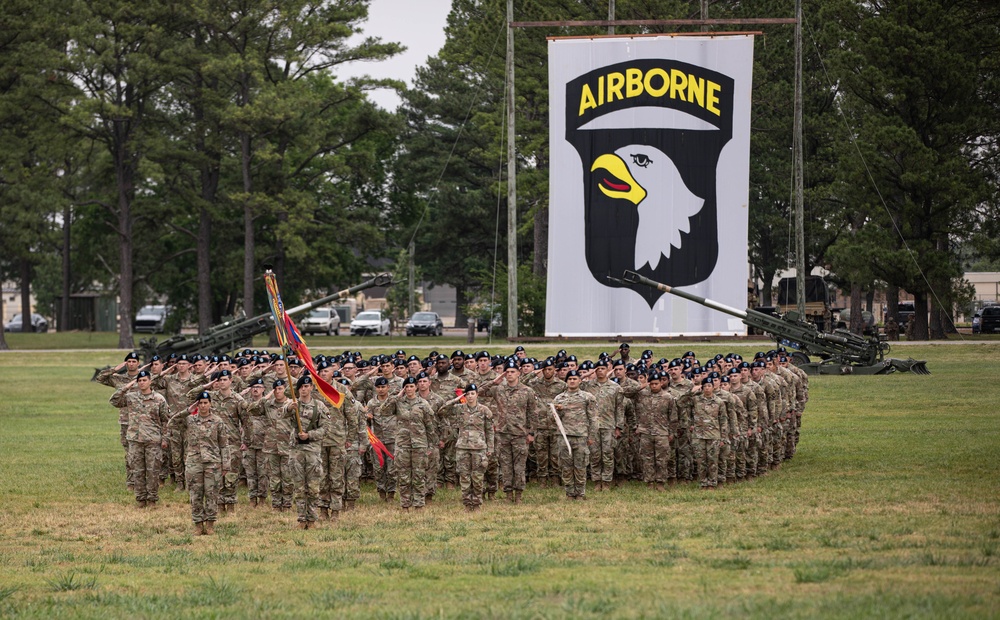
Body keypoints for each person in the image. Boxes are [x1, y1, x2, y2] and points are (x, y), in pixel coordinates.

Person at [110, 370, 169, 508]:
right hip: (135, 439)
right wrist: (125, 387)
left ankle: (152, 499)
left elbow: (166, 421)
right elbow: (114, 401)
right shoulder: (131, 397)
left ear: (150, 381)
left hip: (152, 439)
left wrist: (165, 439)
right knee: (137, 470)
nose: (142, 383)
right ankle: (141, 499)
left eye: (144, 380)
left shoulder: (159, 399)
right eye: (139, 381)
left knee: (153, 470)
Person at [379, 377, 436, 511]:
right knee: (403, 476)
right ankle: (405, 504)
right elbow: (383, 411)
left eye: (411, 386)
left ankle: (419, 504)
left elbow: (429, 425)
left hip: (419, 444)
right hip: (403, 444)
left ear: (416, 387)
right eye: (407, 387)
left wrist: (431, 445)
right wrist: (396, 397)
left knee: (419, 475)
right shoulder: (398, 402)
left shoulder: (423, 404)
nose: (409, 389)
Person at [484, 361, 538, 503]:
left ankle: (519, 494)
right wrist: (494, 381)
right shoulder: (499, 389)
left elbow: (533, 413)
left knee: (519, 466)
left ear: (519, 373)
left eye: (512, 372)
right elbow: (480, 391)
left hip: (520, 434)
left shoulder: (527, 391)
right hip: (503, 433)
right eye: (507, 372)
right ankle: (508, 494)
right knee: (506, 465)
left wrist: (531, 433)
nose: (509, 374)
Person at [180, 391, 230, 535]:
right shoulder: (190, 420)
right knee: (195, 494)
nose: (203, 406)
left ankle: (210, 524)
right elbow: (173, 422)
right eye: (200, 403)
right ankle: (197, 524)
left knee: (211, 493)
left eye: (205, 403)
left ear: (210, 404)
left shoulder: (217, 421)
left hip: (213, 463)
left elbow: (224, 444)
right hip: (194, 462)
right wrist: (188, 410)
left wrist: (226, 464)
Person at [286, 375, 329, 529]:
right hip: (296, 450)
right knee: (299, 487)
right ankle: (301, 518)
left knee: (313, 486)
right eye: (301, 387)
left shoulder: (319, 406)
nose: (304, 389)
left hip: (312, 450)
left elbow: (325, 428)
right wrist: (290, 408)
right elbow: (281, 414)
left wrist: (309, 435)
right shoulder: (293, 404)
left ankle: (312, 519)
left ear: (311, 387)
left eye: (307, 386)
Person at [445, 384, 494, 511]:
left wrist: (490, 449)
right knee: (464, 477)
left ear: (477, 394)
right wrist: (457, 398)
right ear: (464, 396)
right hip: (463, 447)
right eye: (467, 394)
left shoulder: (484, 410)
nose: (470, 396)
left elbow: (489, 431)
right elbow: (442, 410)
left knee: (477, 477)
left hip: (479, 448)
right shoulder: (459, 408)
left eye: (473, 393)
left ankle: (477, 503)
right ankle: (467, 503)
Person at [552, 370, 598, 500]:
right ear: (566, 381)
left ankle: (580, 493)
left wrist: (591, 436)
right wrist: (557, 410)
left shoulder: (587, 397)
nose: (572, 381)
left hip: (581, 436)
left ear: (580, 380)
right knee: (566, 466)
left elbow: (593, 418)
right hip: (564, 436)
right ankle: (570, 493)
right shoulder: (559, 398)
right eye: (570, 379)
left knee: (580, 465)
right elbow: (553, 419)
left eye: (574, 379)